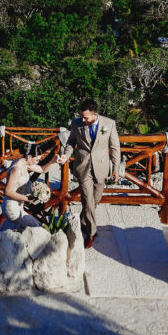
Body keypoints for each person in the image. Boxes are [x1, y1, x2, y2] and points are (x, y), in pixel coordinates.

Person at [57, 98, 121, 248]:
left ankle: (81, 222)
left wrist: (116, 169)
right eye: (82, 116)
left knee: (95, 200)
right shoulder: (76, 124)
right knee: (87, 199)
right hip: (83, 166)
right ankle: (92, 232)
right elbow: (71, 142)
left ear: (94, 114)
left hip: (101, 167)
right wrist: (66, 155)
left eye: (86, 117)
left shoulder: (109, 124)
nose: (83, 120)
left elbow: (115, 147)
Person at [0, 146, 55, 231]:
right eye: (36, 160)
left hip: (19, 206)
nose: (37, 162)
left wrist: (53, 161)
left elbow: (42, 169)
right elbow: (7, 191)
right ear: (29, 157)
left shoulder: (25, 164)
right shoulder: (16, 169)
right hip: (11, 206)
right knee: (37, 227)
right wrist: (26, 198)